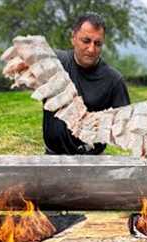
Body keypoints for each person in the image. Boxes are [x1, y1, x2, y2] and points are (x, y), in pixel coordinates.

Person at [43, 12, 131, 155]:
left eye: (98, 43)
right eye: (86, 41)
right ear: (73, 38)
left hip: (92, 160)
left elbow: (125, 127)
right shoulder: (54, 63)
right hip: (51, 157)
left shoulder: (114, 80)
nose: (91, 49)